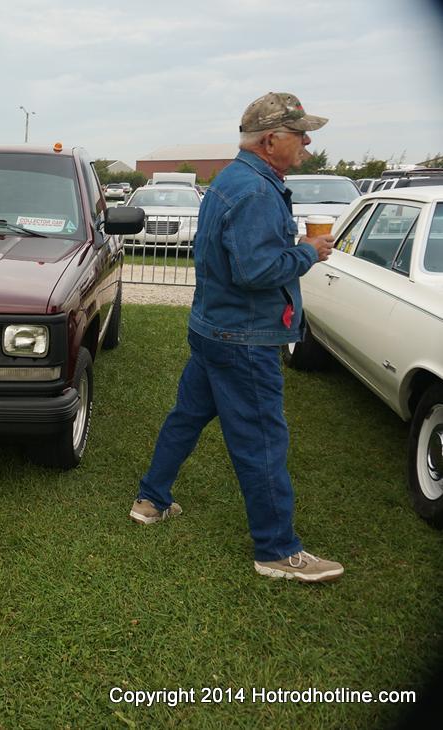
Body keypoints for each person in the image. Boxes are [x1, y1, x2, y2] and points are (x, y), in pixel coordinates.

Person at [129, 92, 342, 584]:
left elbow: (237, 260)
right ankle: (276, 550)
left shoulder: (233, 180)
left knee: (186, 417)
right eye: (300, 134)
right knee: (263, 439)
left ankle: (151, 500)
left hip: (213, 329)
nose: (308, 142)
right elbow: (255, 270)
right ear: (271, 140)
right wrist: (308, 251)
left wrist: (296, 249)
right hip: (243, 337)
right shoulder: (256, 192)